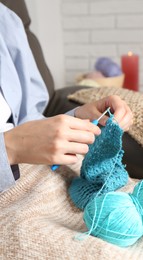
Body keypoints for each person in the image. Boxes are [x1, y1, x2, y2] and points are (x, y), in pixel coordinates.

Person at [0, 3, 133, 192]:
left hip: (35, 174)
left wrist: (78, 118)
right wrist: (9, 148)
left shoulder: (7, 21)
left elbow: (27, 120)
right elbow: (21, 140)